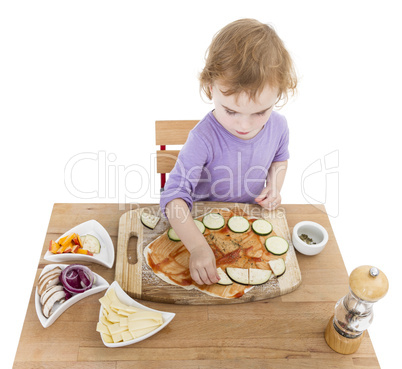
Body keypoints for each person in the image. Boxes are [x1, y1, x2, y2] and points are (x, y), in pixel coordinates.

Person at [160, 18, 297, 286]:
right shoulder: (202, 138)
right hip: (201, 225)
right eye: (231, 111)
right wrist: (198, 247)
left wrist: (274, 185)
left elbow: (280, 158)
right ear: (211, 88)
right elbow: (172, 197)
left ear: (278, 95)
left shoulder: (279, 126)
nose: (244, 125)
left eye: (260, 112)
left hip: (248, 222)